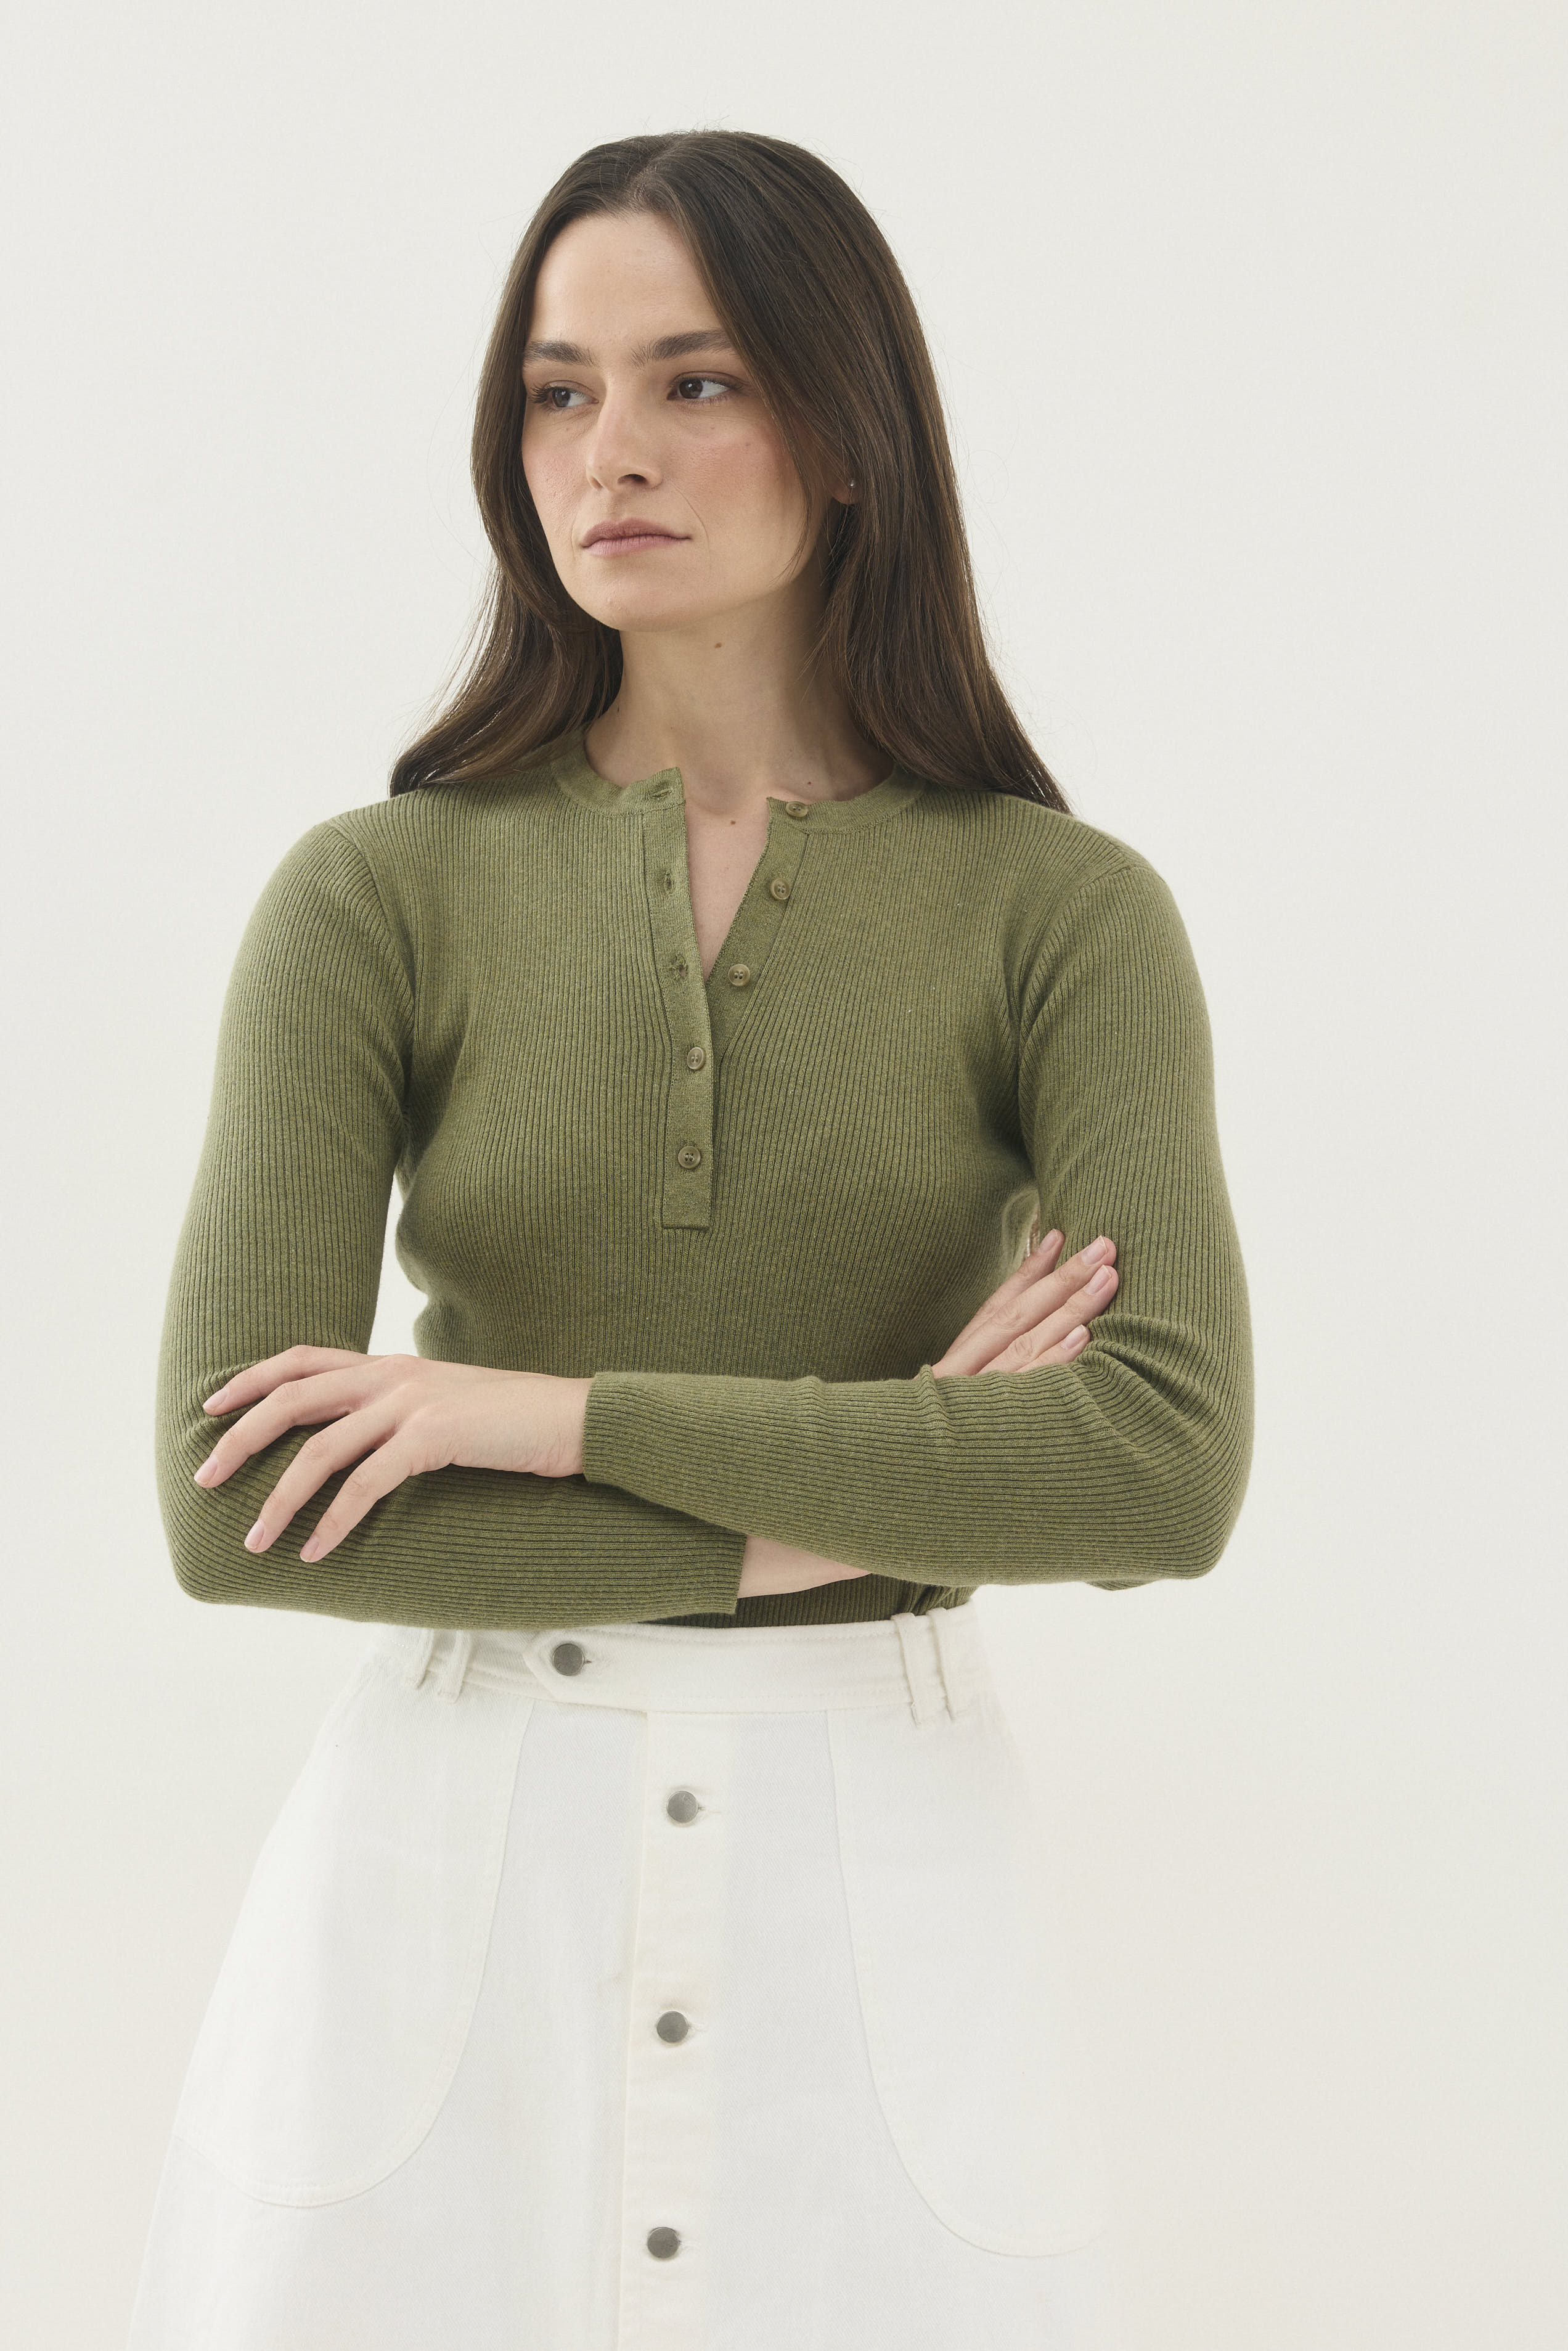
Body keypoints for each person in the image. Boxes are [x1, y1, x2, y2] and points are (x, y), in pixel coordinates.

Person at [128, 129, 1253, 2350]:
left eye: (694, 381)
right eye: (557, 390)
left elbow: (1156, 1472)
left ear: (847, 431)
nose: (608, 451)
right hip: (449, 1865)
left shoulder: (1061, 913)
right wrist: (882, 1488)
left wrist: (539, 1416)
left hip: (880, 1869)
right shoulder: (376, 894)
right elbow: (234, 1503)